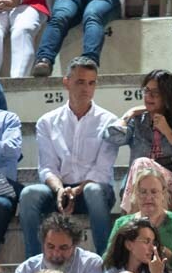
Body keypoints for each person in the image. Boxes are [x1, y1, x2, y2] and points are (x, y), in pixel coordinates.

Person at [23, 58, 120, 257]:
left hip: (93, 191)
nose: (86, 88)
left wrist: (76, 191)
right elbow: (47, 167)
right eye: (80, 82)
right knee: (29, 194)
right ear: (66, 82)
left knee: (94, 190)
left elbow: (102, 171)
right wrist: (60, 191)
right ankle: (33, 263)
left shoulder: (109, 121)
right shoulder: (47, 122)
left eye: (91, 83)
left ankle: (107, 261)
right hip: (58, 189)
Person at [108, 70, 172, 215]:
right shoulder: (137, 121)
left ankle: (127, 221)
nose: (149, 96)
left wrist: (168, 132)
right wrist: (129, 114)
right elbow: (114, 137)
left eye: (155, 92)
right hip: (139, 190)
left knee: (142, 163)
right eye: (146, 91)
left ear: (168, 96)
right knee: (142, 171)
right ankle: (136, 227)